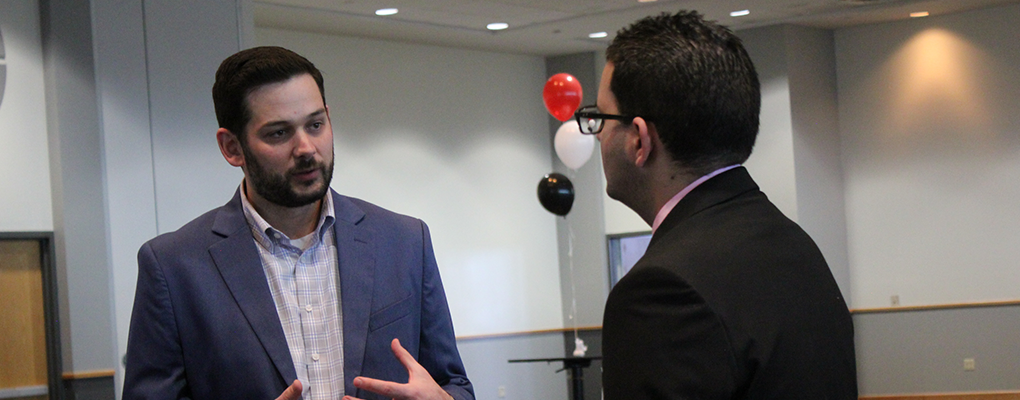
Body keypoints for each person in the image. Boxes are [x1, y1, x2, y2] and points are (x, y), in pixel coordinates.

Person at [123, 46, 473, 400]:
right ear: (232, 147)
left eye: (315, 124)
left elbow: (454, 385)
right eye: (279, 133)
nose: (306, 147)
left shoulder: (404, 242)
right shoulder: (174, 267)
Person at [575, 11, 857, 399]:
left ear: (639, 140)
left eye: (600, 117)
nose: (597, 134)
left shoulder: (660, 290)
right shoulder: (794, 244)